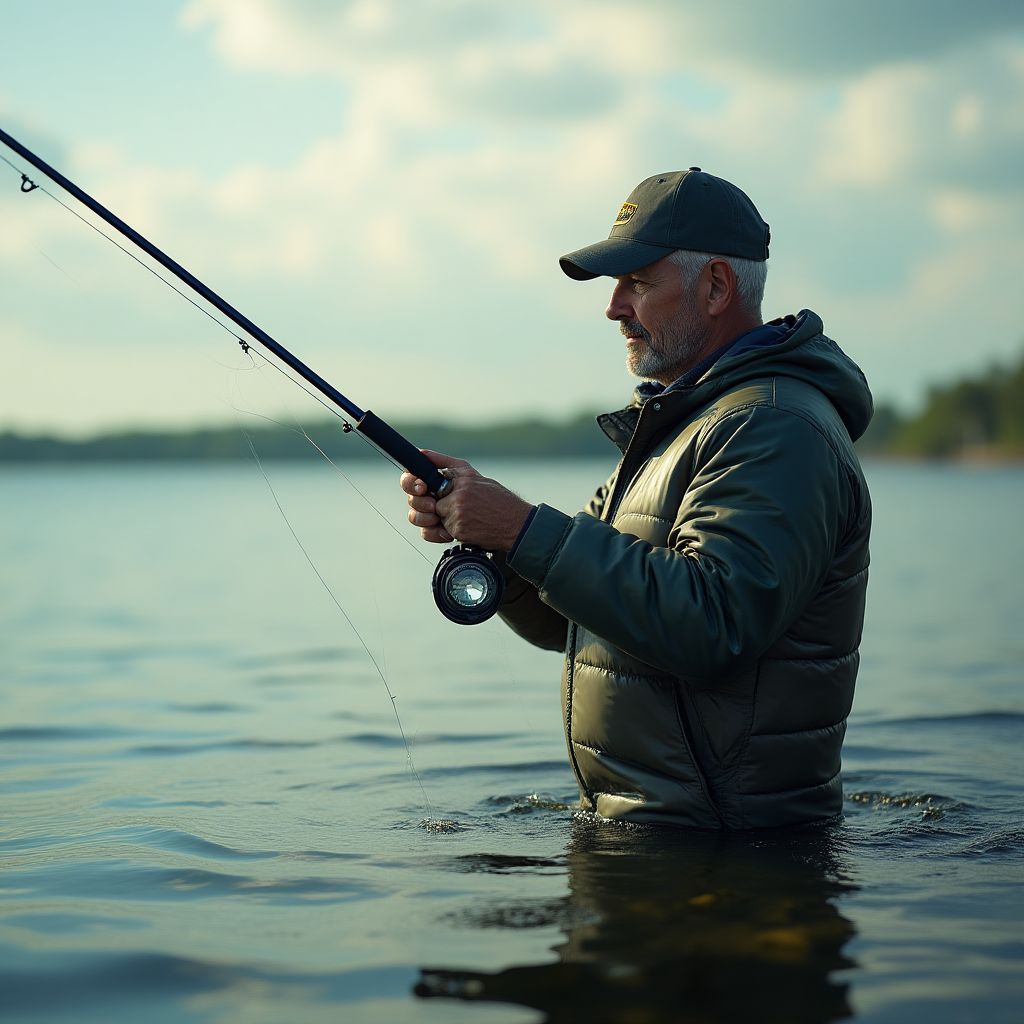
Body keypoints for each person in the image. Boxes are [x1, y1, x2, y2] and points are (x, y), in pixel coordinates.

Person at [401, 169, 872, 830]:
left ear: (715, 286)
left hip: (731, 861)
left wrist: (523, 527)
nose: (614, 307)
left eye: (638, 283)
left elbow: (717, 623)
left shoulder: (772, 427)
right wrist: (500, 548)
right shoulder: (679, 427)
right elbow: (574, 622)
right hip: (661, 844)